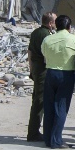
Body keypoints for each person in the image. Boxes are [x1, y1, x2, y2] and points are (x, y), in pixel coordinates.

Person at [40, 15, 75, 148]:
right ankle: (56, 140)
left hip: (50, 73)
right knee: (61, 107)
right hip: (66, 74)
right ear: (69, 27)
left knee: (49, 106)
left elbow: (44, 54)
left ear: (56, 25)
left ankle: (47, 138)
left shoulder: (47, 39)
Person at [26, 11, 56, 141]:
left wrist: (31, 70)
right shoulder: (46, 35)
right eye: (55, 21)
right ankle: (33, 132)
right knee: (40, 101)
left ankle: (34, 130)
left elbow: (30, 53)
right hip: (43, 70)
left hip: (37, 69)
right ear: (50, 23)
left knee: (37, 99)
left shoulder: (35, 32)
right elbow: (46, 55)